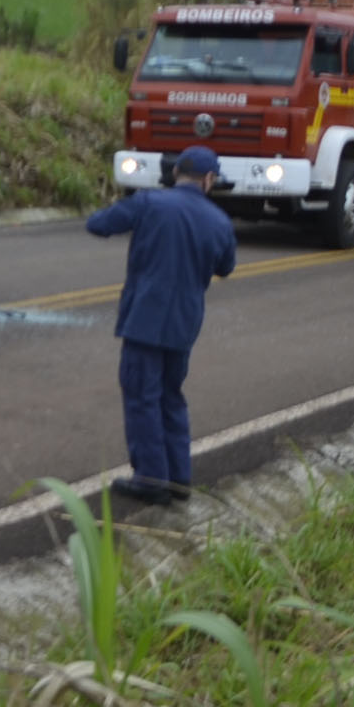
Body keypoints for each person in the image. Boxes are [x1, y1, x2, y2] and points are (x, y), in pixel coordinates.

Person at [83, 145, 238, 505]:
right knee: (170, 396)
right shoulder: (219, 221)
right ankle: (178, 477)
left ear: (175, 173)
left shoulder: (149, 202)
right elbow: (226, 267)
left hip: (144, 319)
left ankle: (151, 477)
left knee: (142, 396)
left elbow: (98, 224)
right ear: (209, 179)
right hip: (184, 323)